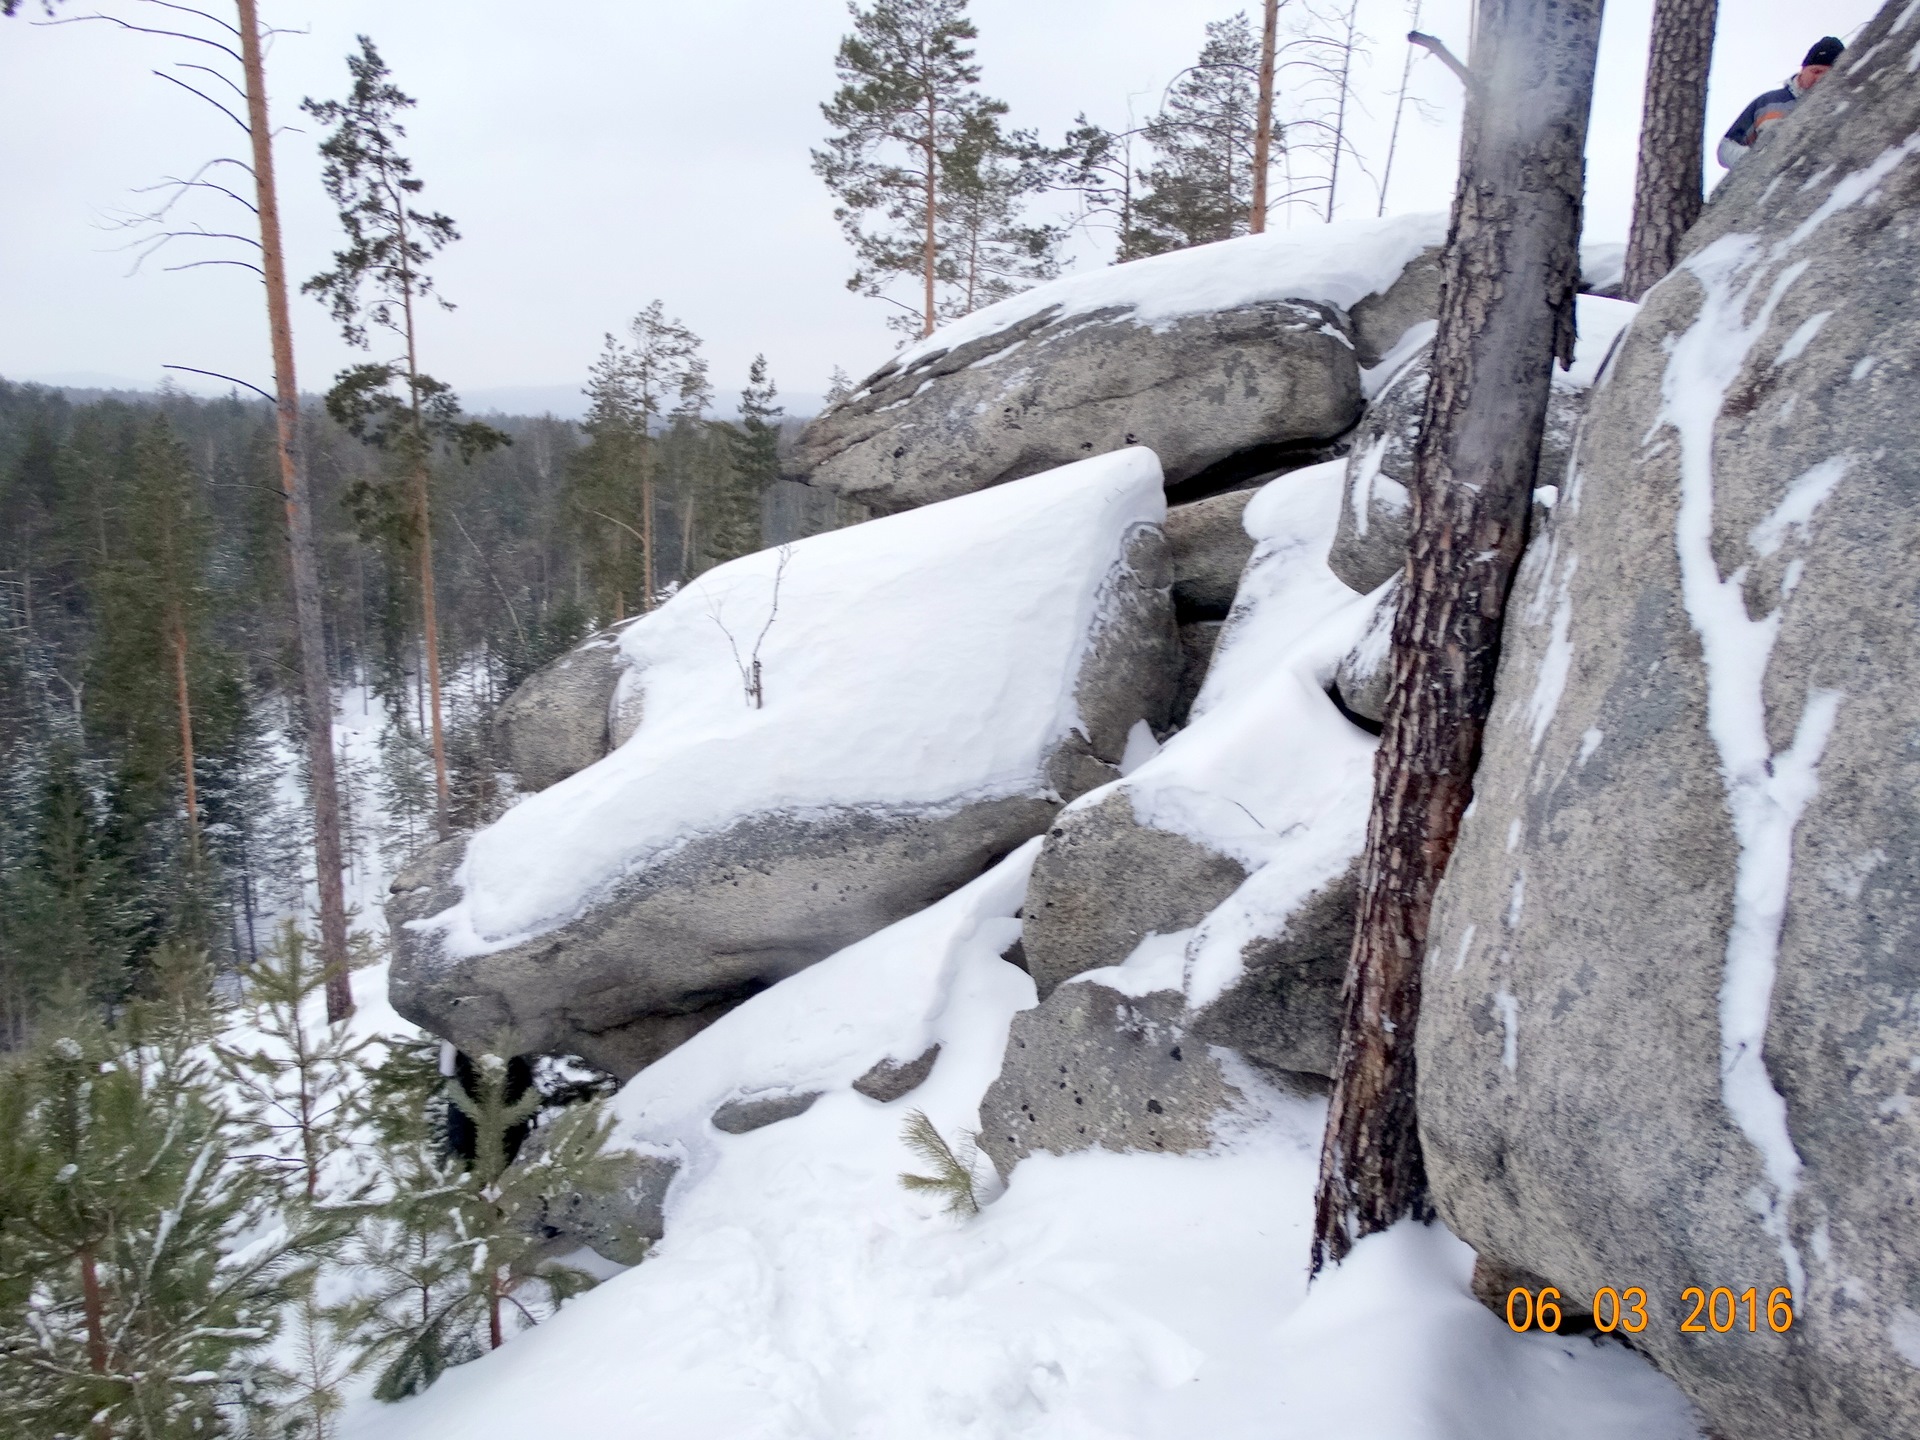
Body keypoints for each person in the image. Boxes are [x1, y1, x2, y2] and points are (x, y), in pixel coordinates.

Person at [1717, 36, 1846, 168]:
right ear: (1803, 70)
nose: (1820, 79)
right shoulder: (1767, 103)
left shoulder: (1842, 107)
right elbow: (1725, 149)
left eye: (1828, 74)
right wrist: (1759, 163)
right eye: (1816, 71)